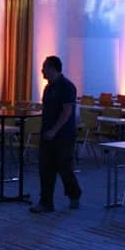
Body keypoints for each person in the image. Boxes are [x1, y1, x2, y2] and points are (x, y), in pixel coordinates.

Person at [30, 55, 82, 213]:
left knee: (64, 168)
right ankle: (46, 203)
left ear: (52, 69)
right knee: (45, 169)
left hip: (63, 135)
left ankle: (74, 193)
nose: (42, 71)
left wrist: (54, 130)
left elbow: (67, 112)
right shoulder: (48, 88)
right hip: (47, 134)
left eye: (44, 67)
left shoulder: (67, 87)